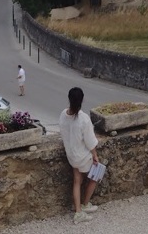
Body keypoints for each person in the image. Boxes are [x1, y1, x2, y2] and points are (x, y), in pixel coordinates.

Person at [59, 87, 100, 224]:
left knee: (77, 181)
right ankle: (85, 204)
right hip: (83, 156)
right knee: (96, 175)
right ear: (82, 100)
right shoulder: (83, 119)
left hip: (71, 155)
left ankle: (78, 212)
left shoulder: (63, 114)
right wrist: (95, 155)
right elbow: (90, 141)